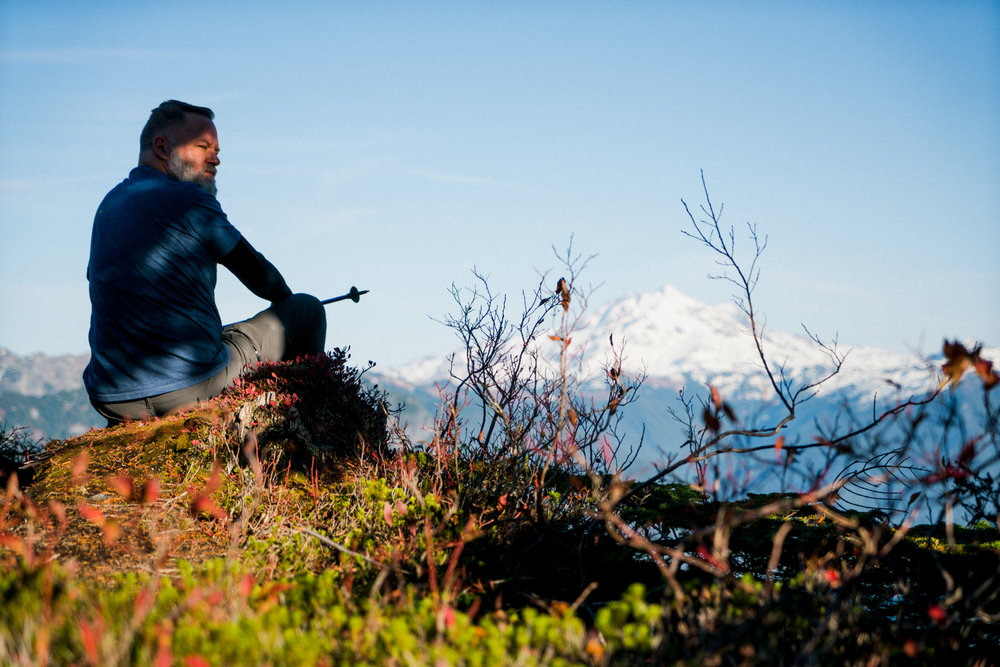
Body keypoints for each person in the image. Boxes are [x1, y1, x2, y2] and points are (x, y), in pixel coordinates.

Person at [83, 100, 326, 425]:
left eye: (216, 149)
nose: (216, 158)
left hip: (111, 397)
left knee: (220, 335)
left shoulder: (109, 205)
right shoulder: (190, 200)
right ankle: (305, 427)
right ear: (161, 147)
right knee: (307, 310)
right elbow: (261, 278)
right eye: (202, 146)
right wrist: (286, 308)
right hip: (185, 388)